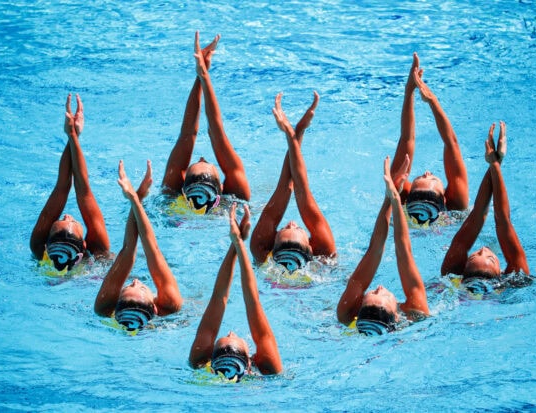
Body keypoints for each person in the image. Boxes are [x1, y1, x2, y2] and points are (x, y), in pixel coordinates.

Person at [337, 155, 429, 335]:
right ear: (398, 317)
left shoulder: (346, 313)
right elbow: (404, 252)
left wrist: (392, 198)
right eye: (384, 295)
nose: (379, 288)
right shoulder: (417, 313)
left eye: (372, 294)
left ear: (358, 313)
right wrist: (393, 197)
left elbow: (375, 250)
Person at [189, 203, 282, 381]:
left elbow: (219, 297)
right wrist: (238, 243)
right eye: (232, 336)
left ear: (210, 365)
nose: (231, 332)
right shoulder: (269, 368)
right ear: (250, 363)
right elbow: (251, 301)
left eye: (225, 336)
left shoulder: (199, 363)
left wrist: (236, 244)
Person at [161, 32, 250, 215]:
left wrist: (201, 77)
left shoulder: (171, 200)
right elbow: (216, 134)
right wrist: (203, 75)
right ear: (224, 187)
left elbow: (188, 134)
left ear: (182, 189)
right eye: (207, 161)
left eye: (198, 161)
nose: (201, 157)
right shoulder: (237, 200)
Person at [250, 92, 336, 273]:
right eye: (296, 228)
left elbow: (287, 186)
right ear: (311, 249)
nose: (291, 222)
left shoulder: (260, 251)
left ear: (272, 250)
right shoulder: (325, 254)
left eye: (286, 228)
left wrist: (294, 133)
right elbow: (299, 188)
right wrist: (295, 132)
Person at [94, 160, 182, 331]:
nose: (135, 281)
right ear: (155, 309)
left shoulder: (104, 309)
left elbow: (128, 251)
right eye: (140, 287)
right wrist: (135, 198)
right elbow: (152, 251)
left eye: (128, 286)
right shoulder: (170, 306)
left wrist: (138, 198)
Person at [30, 94, 110, 272]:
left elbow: (61, 188)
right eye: (72, 221)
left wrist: (72, 135)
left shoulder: (38, 249)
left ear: (47, 245)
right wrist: (73, 135)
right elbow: (83, 191)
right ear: (84, 244)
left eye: (61, 219)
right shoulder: (98, 251)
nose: (67, 215)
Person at [441, 122, 529, 280]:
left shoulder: (450, 276)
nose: (482, 250)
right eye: (490, 258)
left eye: (474, 256)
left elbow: (479, 215)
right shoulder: (517, 282)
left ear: (463, 268)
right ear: (501, 274)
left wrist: (495, 163)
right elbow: (502, 221)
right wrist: (495, 162)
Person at [390, 53, 469, 226]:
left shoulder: (397, 194)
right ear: (446, 200)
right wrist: (432, 101)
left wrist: (409, 91)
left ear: (407, 196)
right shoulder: (457, 204)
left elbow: (407, 140)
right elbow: (451, 143)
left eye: (420, 177)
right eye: (432, 179)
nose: (427, 172)